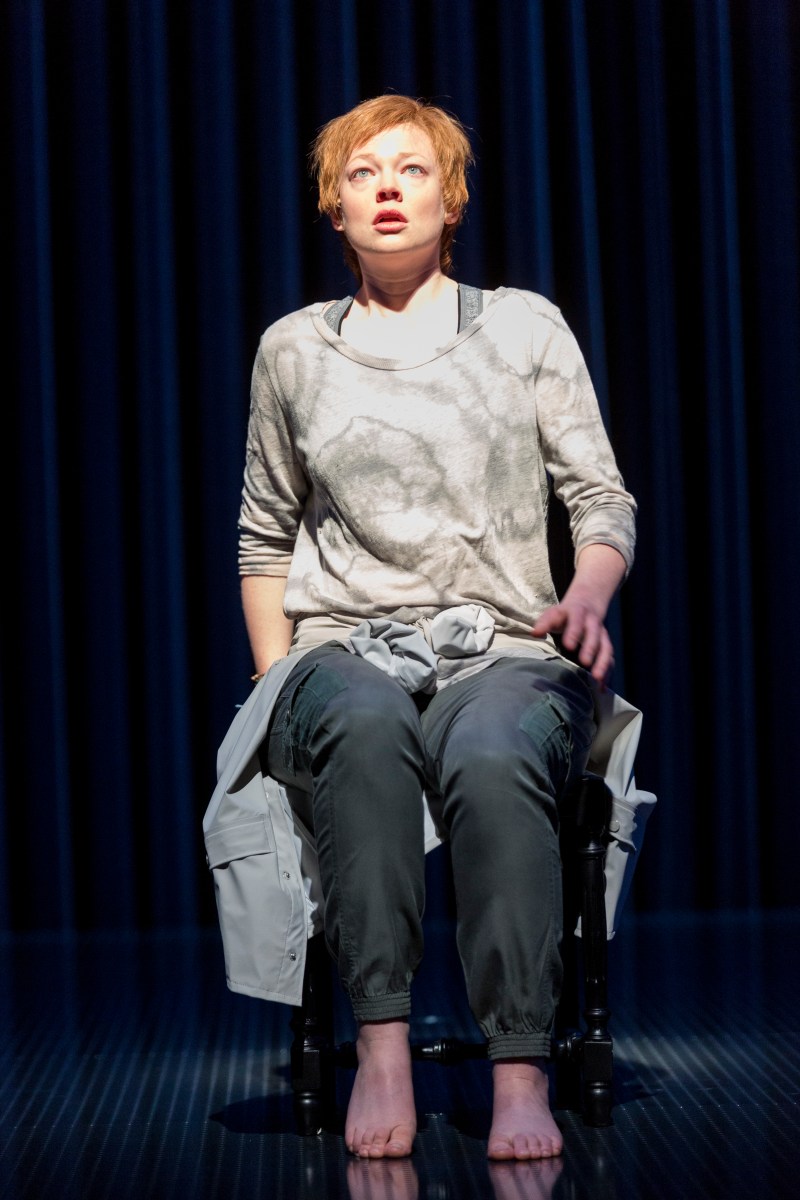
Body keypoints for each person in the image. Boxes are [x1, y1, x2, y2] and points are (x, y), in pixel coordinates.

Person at [237, 94, 636, 1161]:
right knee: (364, 728)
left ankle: (519, 1066)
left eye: (411, 170)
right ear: (333, 206)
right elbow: (264, 535)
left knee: (495, 745)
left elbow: (601, 501)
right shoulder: (292, 350)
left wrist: (586, 597)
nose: (386, 189)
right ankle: (381, 1049)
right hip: (342, 648)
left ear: (450, 200)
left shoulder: (522, 327)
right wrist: (274, 682)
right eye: (361, 173)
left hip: (505, 645)